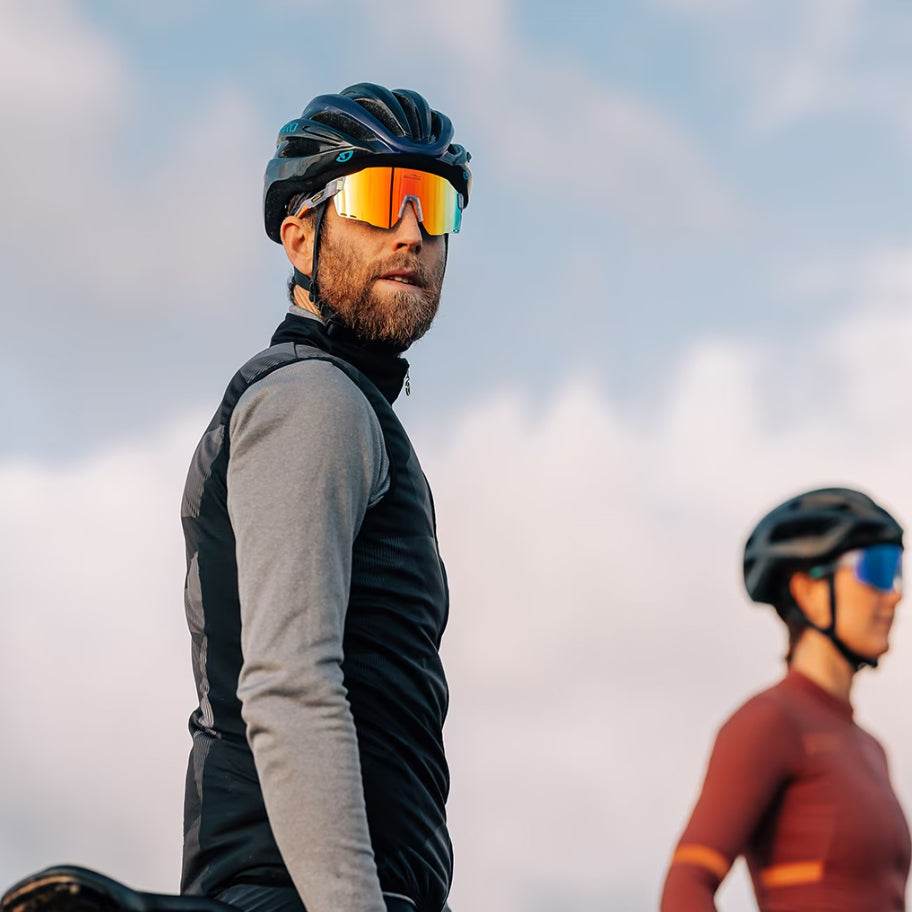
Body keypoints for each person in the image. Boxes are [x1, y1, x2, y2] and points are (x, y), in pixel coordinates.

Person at [178, 84, 471, 912]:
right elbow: (290, 684)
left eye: (434, 205)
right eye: (380, 197)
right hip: (300, 893)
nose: (412, 231)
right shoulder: (314, 398)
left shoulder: (348, 406)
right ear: (300, 236)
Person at [661, 487, 910, 912]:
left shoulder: (871, 748)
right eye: (877, 569)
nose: (895, 593)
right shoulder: (769, 721)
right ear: (808, 591)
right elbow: (686, 885)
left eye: (898, 569)